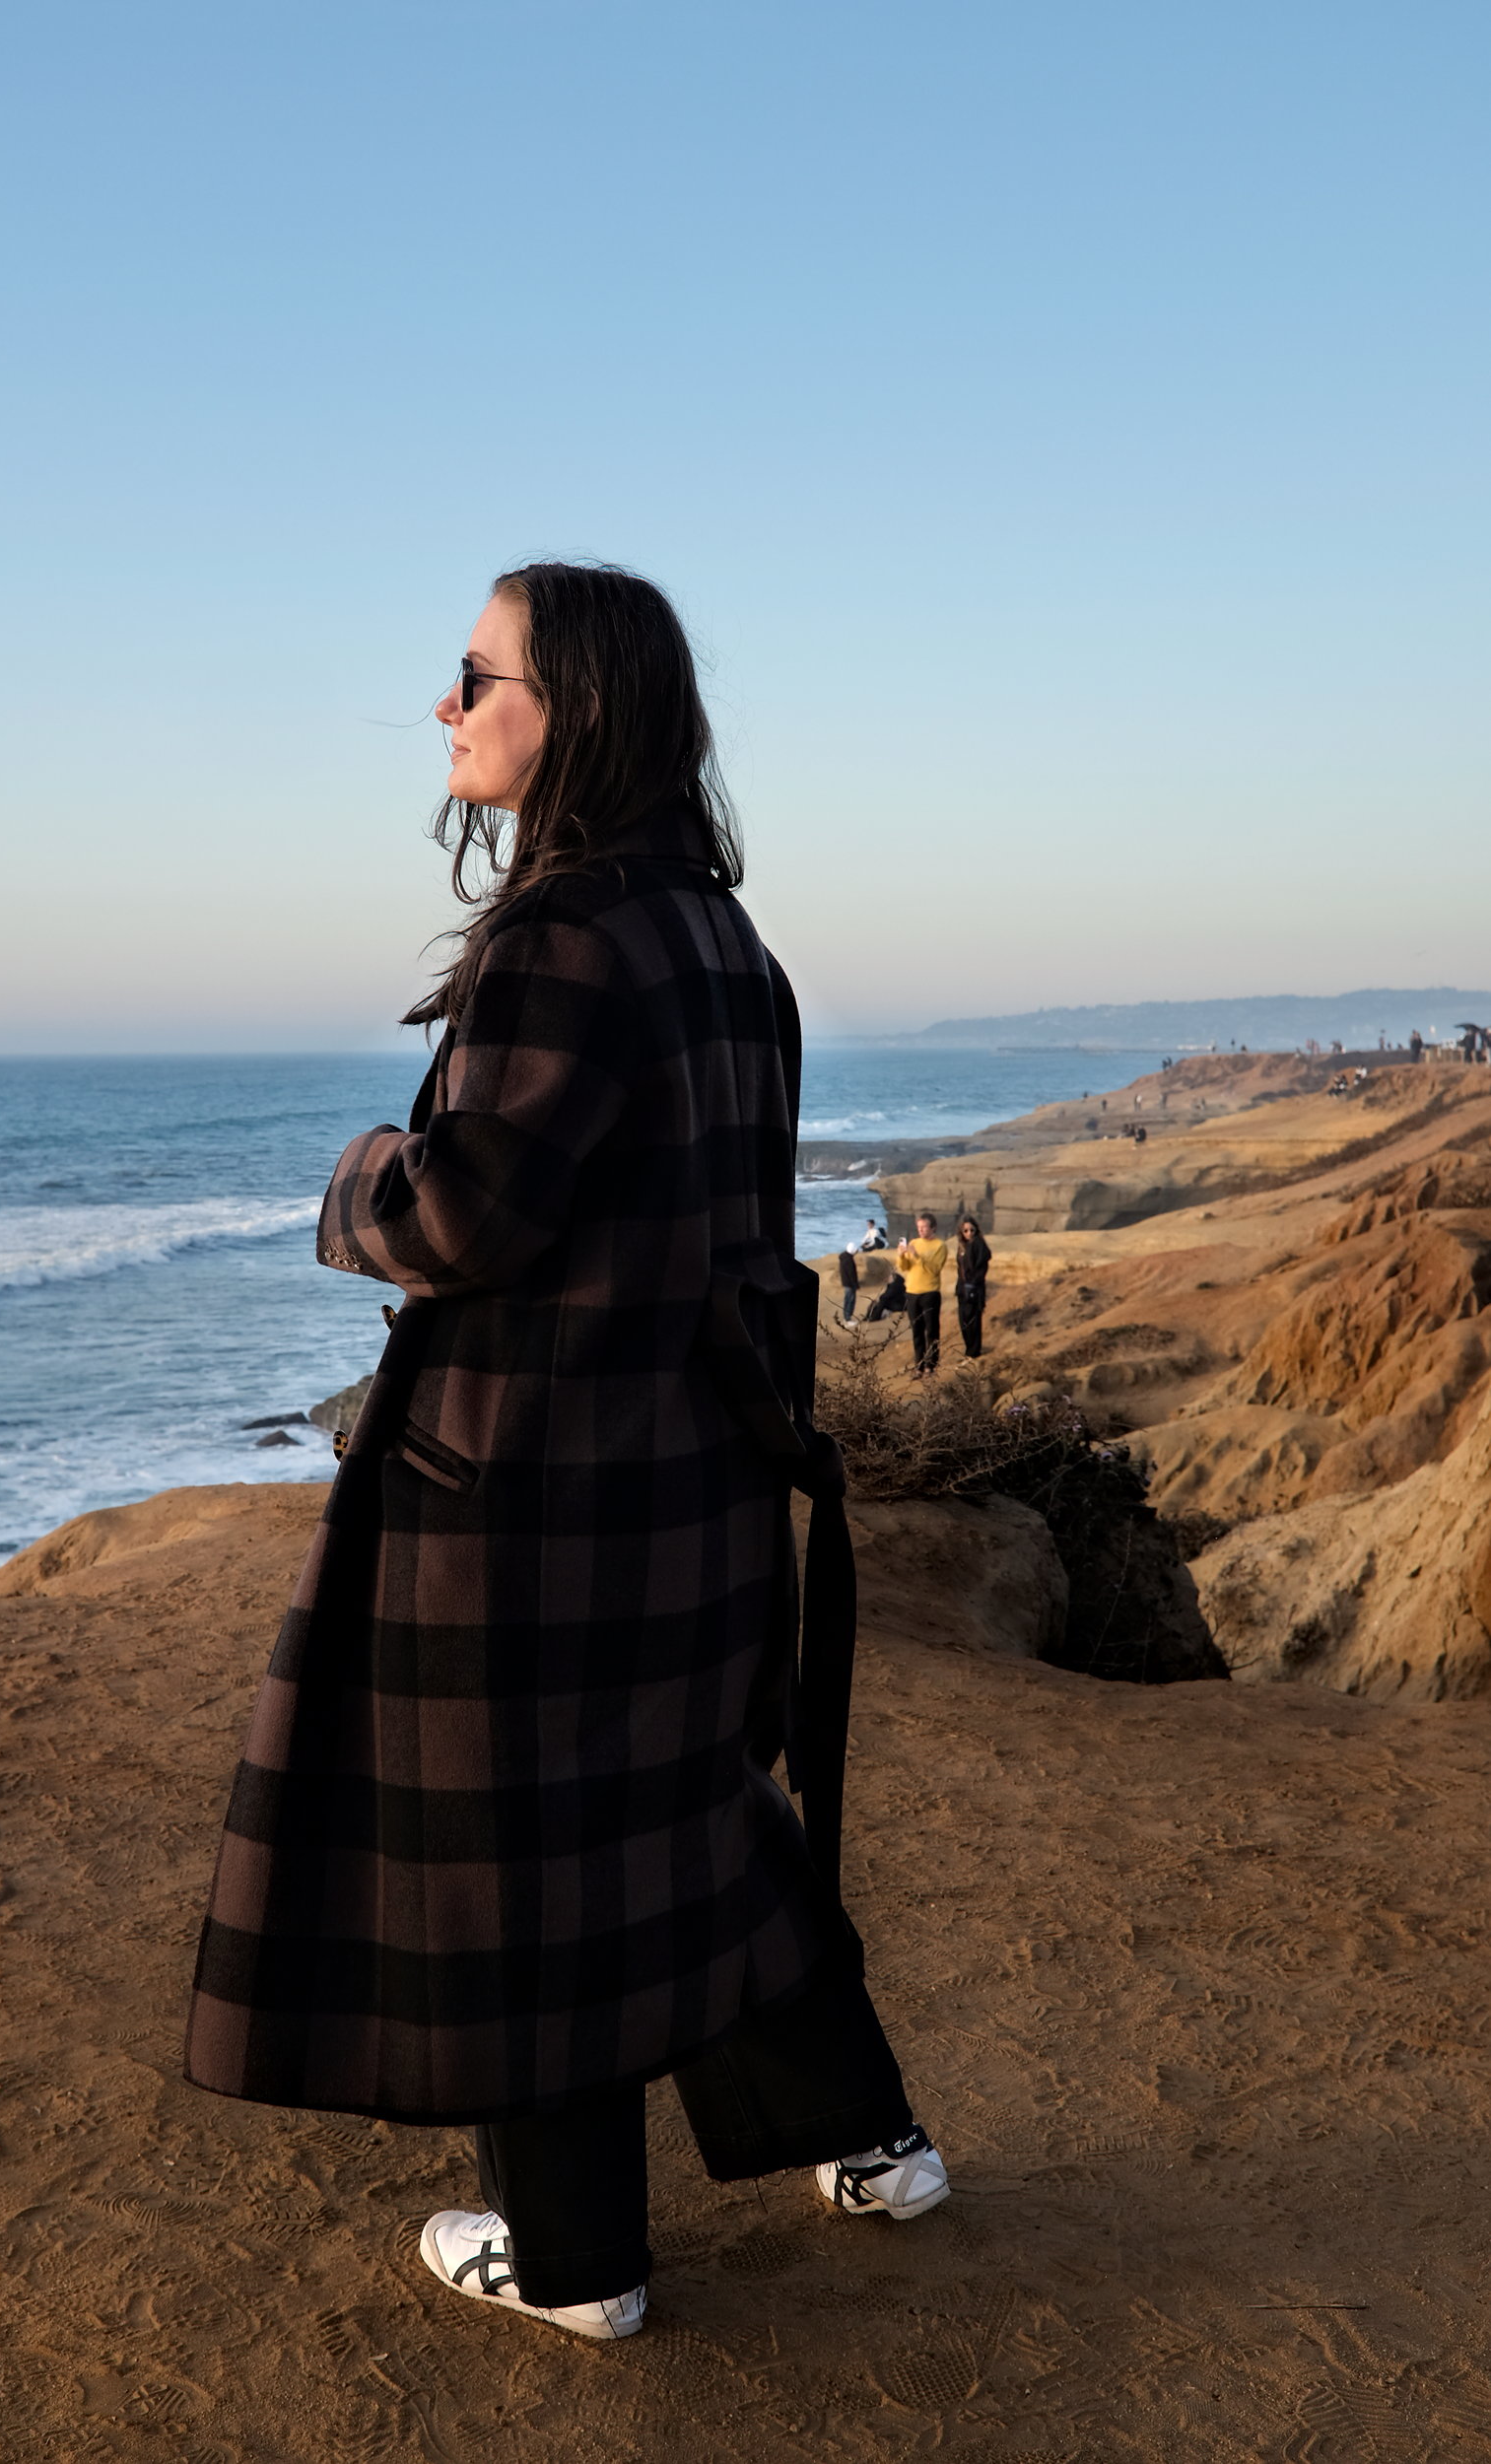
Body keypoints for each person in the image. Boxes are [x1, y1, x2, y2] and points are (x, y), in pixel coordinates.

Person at [184, 563, 946, 2346]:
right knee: (691, 1819)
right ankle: (871, 2140)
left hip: (525, 1497)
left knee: (520, 1864)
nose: (445, 705)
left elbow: (458, 1218)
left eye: (476, 674)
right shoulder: (727, 944)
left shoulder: (564, 936)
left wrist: (358, 1173)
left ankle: (579, 2261)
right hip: (694, 1478)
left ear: (575, 705)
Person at [895, 1210, 948, 1375]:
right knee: (916, 1331)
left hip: (930, 1292)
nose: (921, 1230)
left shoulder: (940, 1246)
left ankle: (931, 1365)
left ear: (933, 1228)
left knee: (931, 1330)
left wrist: (916, 1255)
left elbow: (934, 1269)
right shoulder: (914, 1242)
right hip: (912, 1292)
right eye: (919, 1227)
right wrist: (901, 1256)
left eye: (924, 1227)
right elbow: (904, 1268)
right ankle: (919, 1365)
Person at [955, 1216, 991, 1360]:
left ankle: (974, 1352)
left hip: (975, 1289)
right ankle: (969, 1350)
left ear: (976, 1231)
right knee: (963, 1321)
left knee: (974, 1321)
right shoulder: (962, 1246)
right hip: (962, 1289)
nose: (969, 1233)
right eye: (965, 1231)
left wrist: (973, 1284)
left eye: (972, 1230)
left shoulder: (979, 1244)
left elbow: (981, 1267)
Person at [836, 1248, 859, 1323]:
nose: (856, 1252)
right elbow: (851, 1274)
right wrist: (855, 1284)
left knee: (847, 1300)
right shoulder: (849, 1260)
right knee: (850, 1300)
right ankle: (848, 1319)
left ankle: (846, 1317)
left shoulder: (844, 1257)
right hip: (850, 1284)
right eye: (855, 1251)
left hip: (846, 1283)